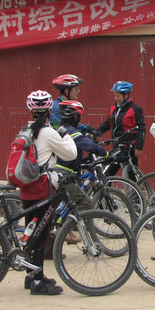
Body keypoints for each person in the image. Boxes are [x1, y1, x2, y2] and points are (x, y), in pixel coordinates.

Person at [18, 90, 77, 294]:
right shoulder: (48, 132)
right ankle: (37, 283)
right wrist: (65, 135)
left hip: (26, 187)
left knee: (31, 233)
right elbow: (71, 154)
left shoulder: (26, 129)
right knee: (40, 235)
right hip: (42, 188)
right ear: (50, 111)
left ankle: (32, 276)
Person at [55, 100, 107, 241]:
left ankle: (59, 229)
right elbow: (88, 145)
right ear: (76, 117)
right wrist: (106, 153)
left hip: (57, 172)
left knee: (65, 201)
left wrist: (89, 131)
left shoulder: (62, 129)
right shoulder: (71, 132)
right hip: (64, 174)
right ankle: (67, 232)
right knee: (86, 203)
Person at [96, 81, 146, 177]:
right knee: (110, 171)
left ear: (126, 95)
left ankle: (135, 187)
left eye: (118, 96)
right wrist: (98, 131)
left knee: (132, 173)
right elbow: (108, 122)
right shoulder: (114, 108)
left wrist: (139, 147)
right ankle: (105, 185)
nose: (116, 98)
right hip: (116, 144)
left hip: (129, 146)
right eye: (115, 96)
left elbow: (141, 128)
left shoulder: (135, 109)